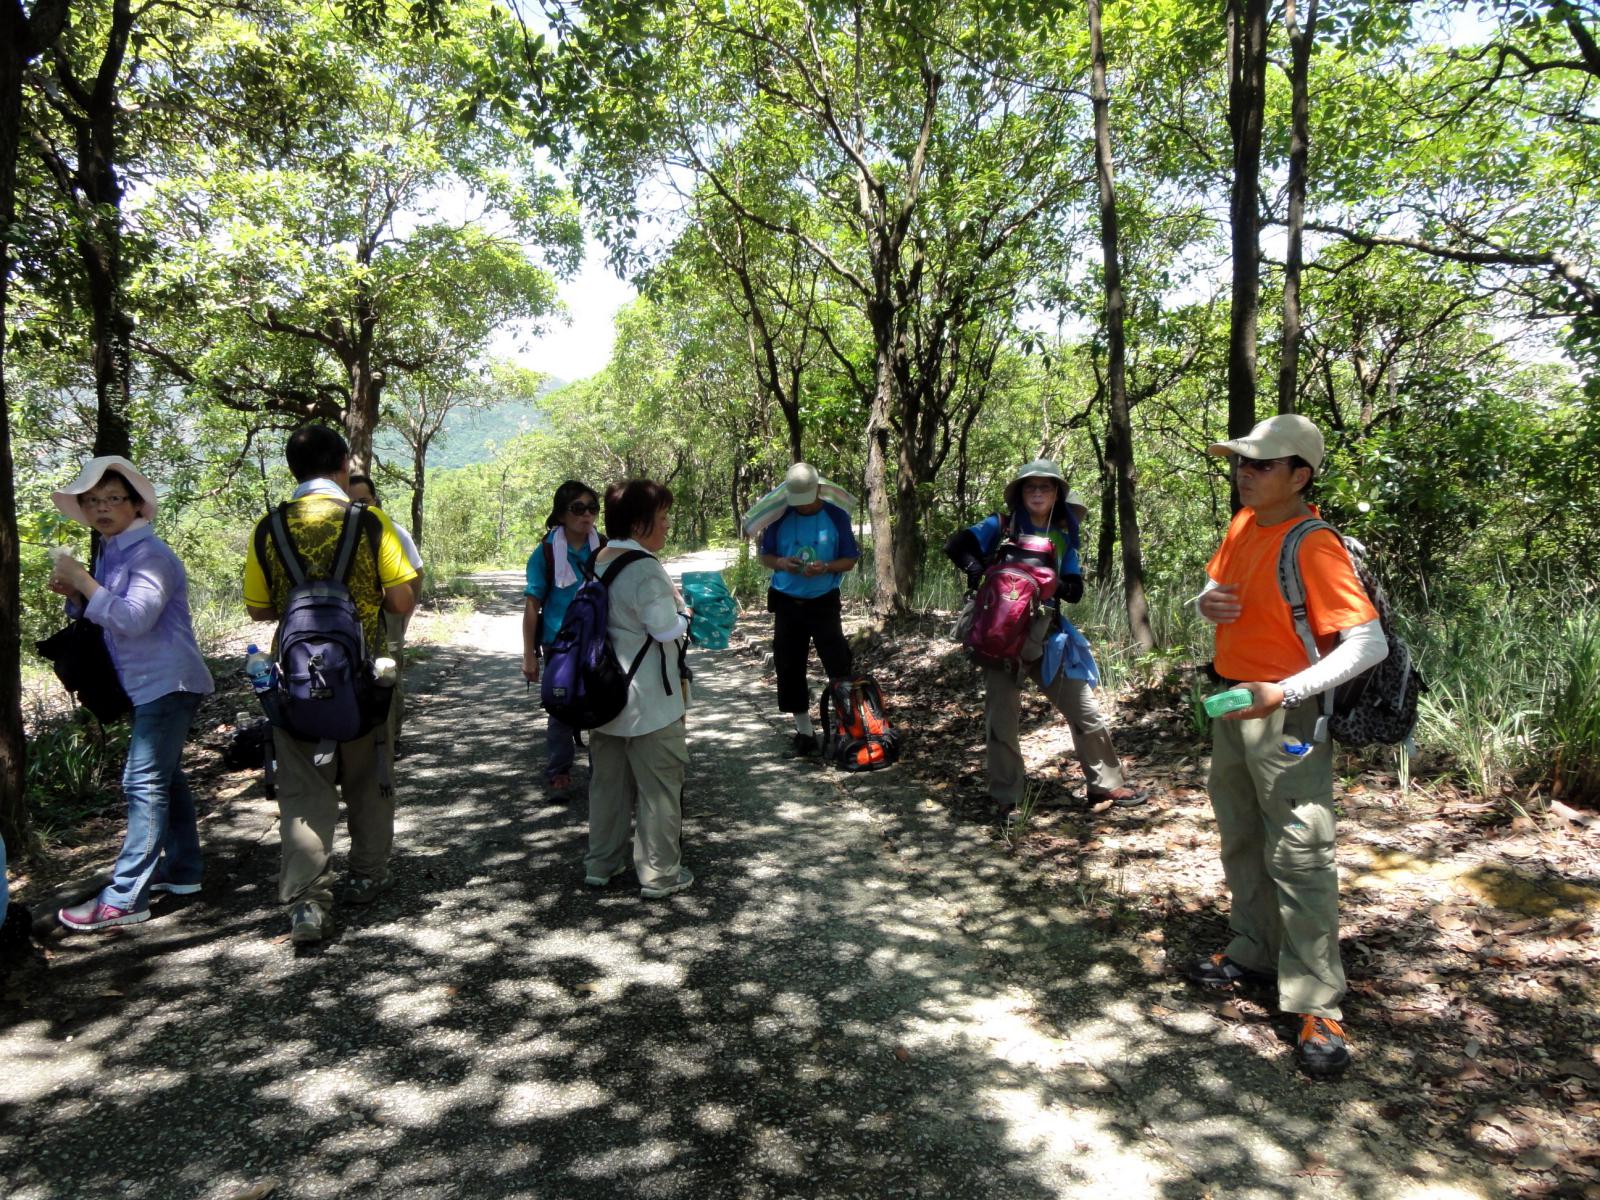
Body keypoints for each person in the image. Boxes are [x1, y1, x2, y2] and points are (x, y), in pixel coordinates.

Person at [1190, 414, 1387, 1079]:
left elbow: (1368, 643)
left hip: (1288, 716)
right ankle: (1252, 947)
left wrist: (1284, 692)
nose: (1244, 473)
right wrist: (1207, 604)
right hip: (1231, 702)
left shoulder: (1313, 544)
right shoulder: (1246, 522)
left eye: (1261, 464)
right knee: (1241, 834)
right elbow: (1217, 587)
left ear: (1300, 475)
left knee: (1301, 854)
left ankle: (1315, 1002)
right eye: (1241, 462)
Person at [243, 426, 418, 945]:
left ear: (292, 469)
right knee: (369, 778)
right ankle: (366, 876)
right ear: (344, 464)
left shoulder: (269, 528)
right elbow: (401, 601)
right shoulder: (370, 522)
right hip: (366, 678)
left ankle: (308, 903)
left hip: (295, 680)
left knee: (303, 791)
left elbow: (259, 609)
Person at [48, 456, 216, 932]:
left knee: (142, 784)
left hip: (168, 682)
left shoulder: (150, 556)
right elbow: (108, 615)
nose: (101, 508)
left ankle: (124, 898)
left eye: (113, 499)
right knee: (166, 779)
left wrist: (84, 580)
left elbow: (133, 619)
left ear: (137, 505)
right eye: (92, 501)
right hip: (144, 684)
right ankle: (182, 870)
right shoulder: (114, 550)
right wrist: (76, 595)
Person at [944, 459, 1143, 814]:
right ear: (1021, 493)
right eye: (1031, 486)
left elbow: (1075, 591)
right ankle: (1007, 797)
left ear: (1056, 495)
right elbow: (956, 545)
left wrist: (1056, 585)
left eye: (1045, 487)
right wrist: (981, 571)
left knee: (1084, 709)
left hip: (1046, 635)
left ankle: (1106, 786)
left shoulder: (1064, 538)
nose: (1037, 492)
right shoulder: (1000, 525)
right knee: (1001, 720)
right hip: (998, 635)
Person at [584, 479, 694, 899]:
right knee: (659, 789)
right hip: (649, 701)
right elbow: (663, 629)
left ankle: (601, 863)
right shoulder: (645, 568)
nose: (666, 525)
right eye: (661, 517)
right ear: (637, 523)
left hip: (604, 694)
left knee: (607, 788)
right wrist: (687, 616)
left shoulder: (598, 559)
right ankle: (660, 874)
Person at [758, 462, 859, 754]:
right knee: (789, 664)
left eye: (806, 499)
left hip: (824, 601)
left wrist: (825, 567)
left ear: (818, 490)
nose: (801, 506)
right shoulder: (780, 515)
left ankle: (848, 729)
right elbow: (766, 555)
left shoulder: (836, 515)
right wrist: (781, 562)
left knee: (838, 663)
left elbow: (850, 559)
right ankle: (804, 732)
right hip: (786, 601)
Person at [521, 480, 603, 796]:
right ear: (560, 514)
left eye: (592, 508)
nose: (586, 515)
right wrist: (529, 655)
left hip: (598, 641)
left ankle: (602, 774)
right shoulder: (545, 553)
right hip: (559, 642)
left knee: (601, 707)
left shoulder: (604, 548)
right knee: (560, 708)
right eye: (578, 508)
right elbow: (532, 605)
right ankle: (559, 771)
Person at [346, 474, 424, 754]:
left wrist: (404, 615)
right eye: (351, 501)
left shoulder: (391, 531)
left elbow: (416, 574)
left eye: (364, 500)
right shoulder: (340, 531)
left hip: (389, 614)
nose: (358, 506)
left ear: (376, 500)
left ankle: (392, 740)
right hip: (350, 617)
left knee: (389, 677)